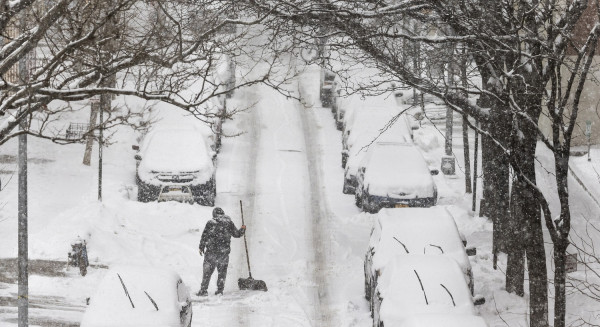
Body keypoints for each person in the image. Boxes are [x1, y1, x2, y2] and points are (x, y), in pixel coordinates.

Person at [197, 207, 246, 296]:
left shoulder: (210, 223)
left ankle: (203, 290)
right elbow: (237, 234)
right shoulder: (229, 223)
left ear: (214, 214)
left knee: (207, 272)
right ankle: (219, 291)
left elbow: (204, 236)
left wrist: (201, 247)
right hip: (223, 253)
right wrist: (242, 229)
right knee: (222, 272)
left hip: (211, 252)